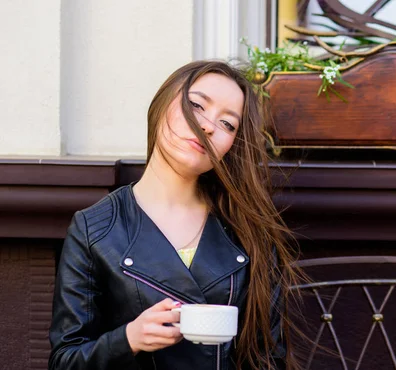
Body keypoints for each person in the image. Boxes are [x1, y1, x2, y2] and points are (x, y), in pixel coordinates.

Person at [49, 61, 301, 370]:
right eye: (196, 105)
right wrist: (128, 339)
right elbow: (65, 361)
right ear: (163, 102)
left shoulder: (248, 231)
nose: (208, 126)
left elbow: (269, 358)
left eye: (228, 124)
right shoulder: (94, 229)